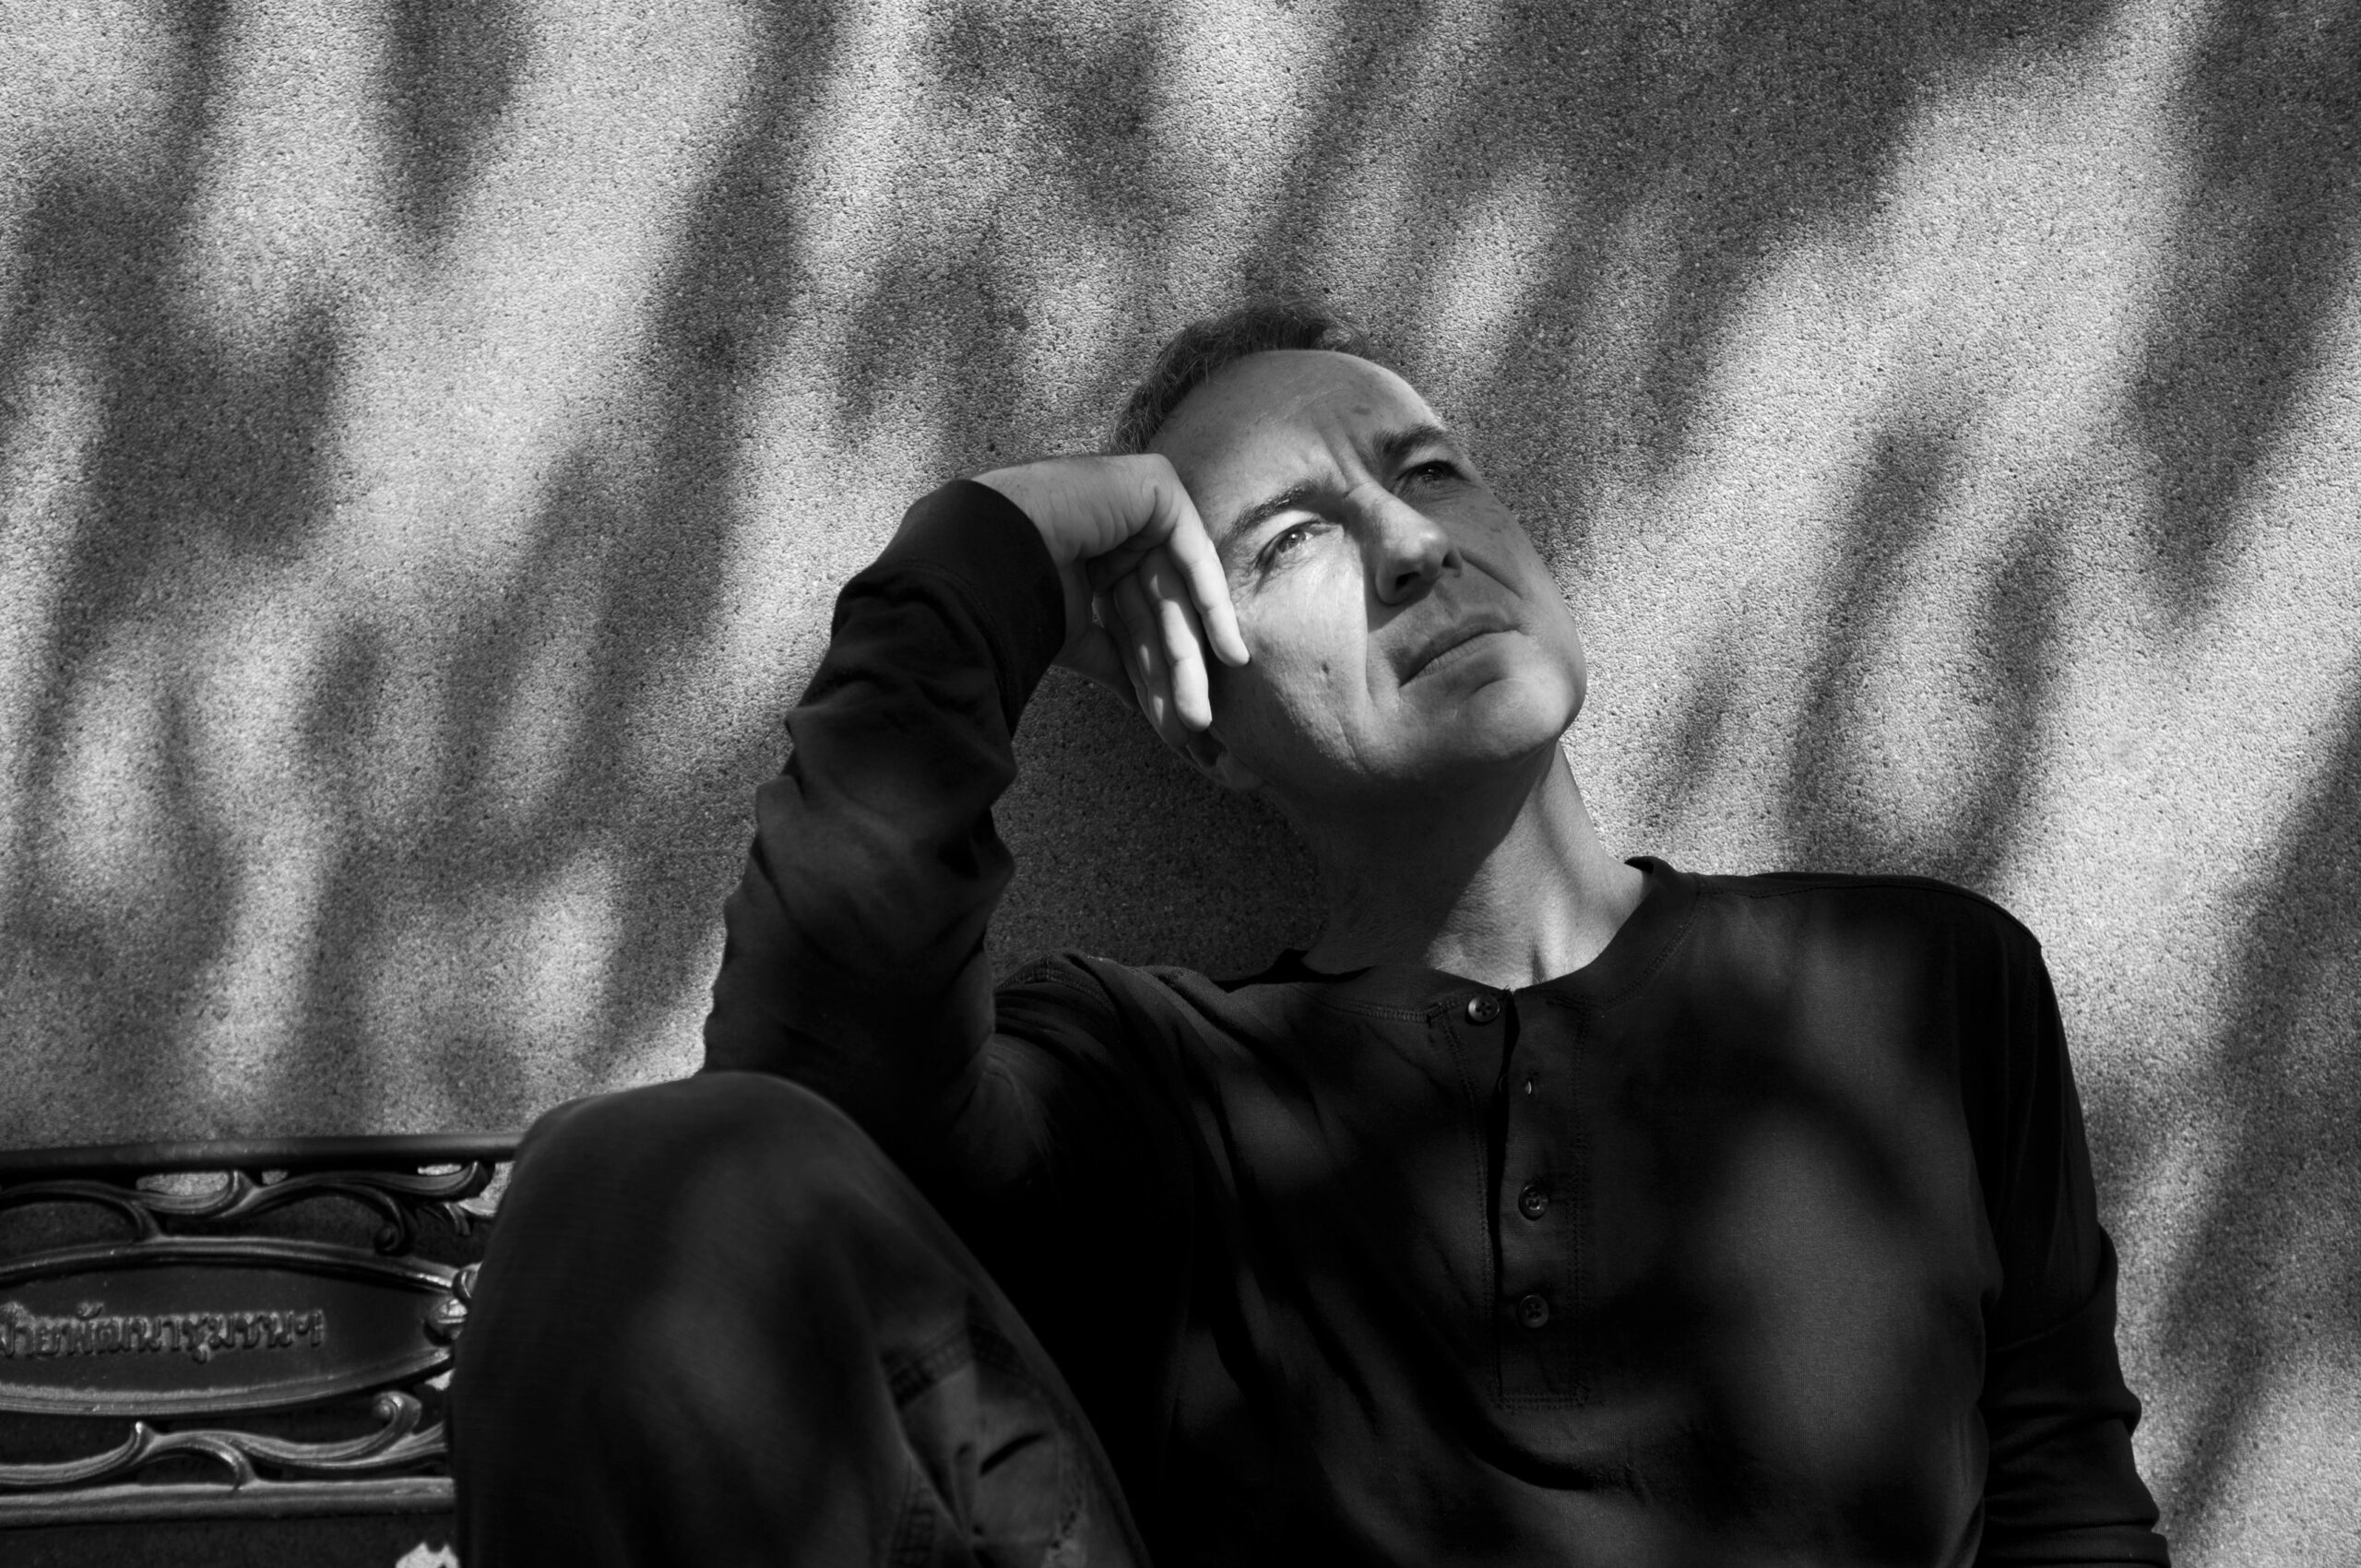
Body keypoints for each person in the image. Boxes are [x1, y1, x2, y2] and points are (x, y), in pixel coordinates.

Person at [449, 301, 2171, 1566]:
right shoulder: (1147, 1088)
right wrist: (996, 550)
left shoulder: (1928, 990)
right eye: (1293, 543)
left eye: (1431, 473)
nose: (1413, 546)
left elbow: (2071, 1518)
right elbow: (796, 1092)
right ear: (1197, 717)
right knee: (639, 1175)